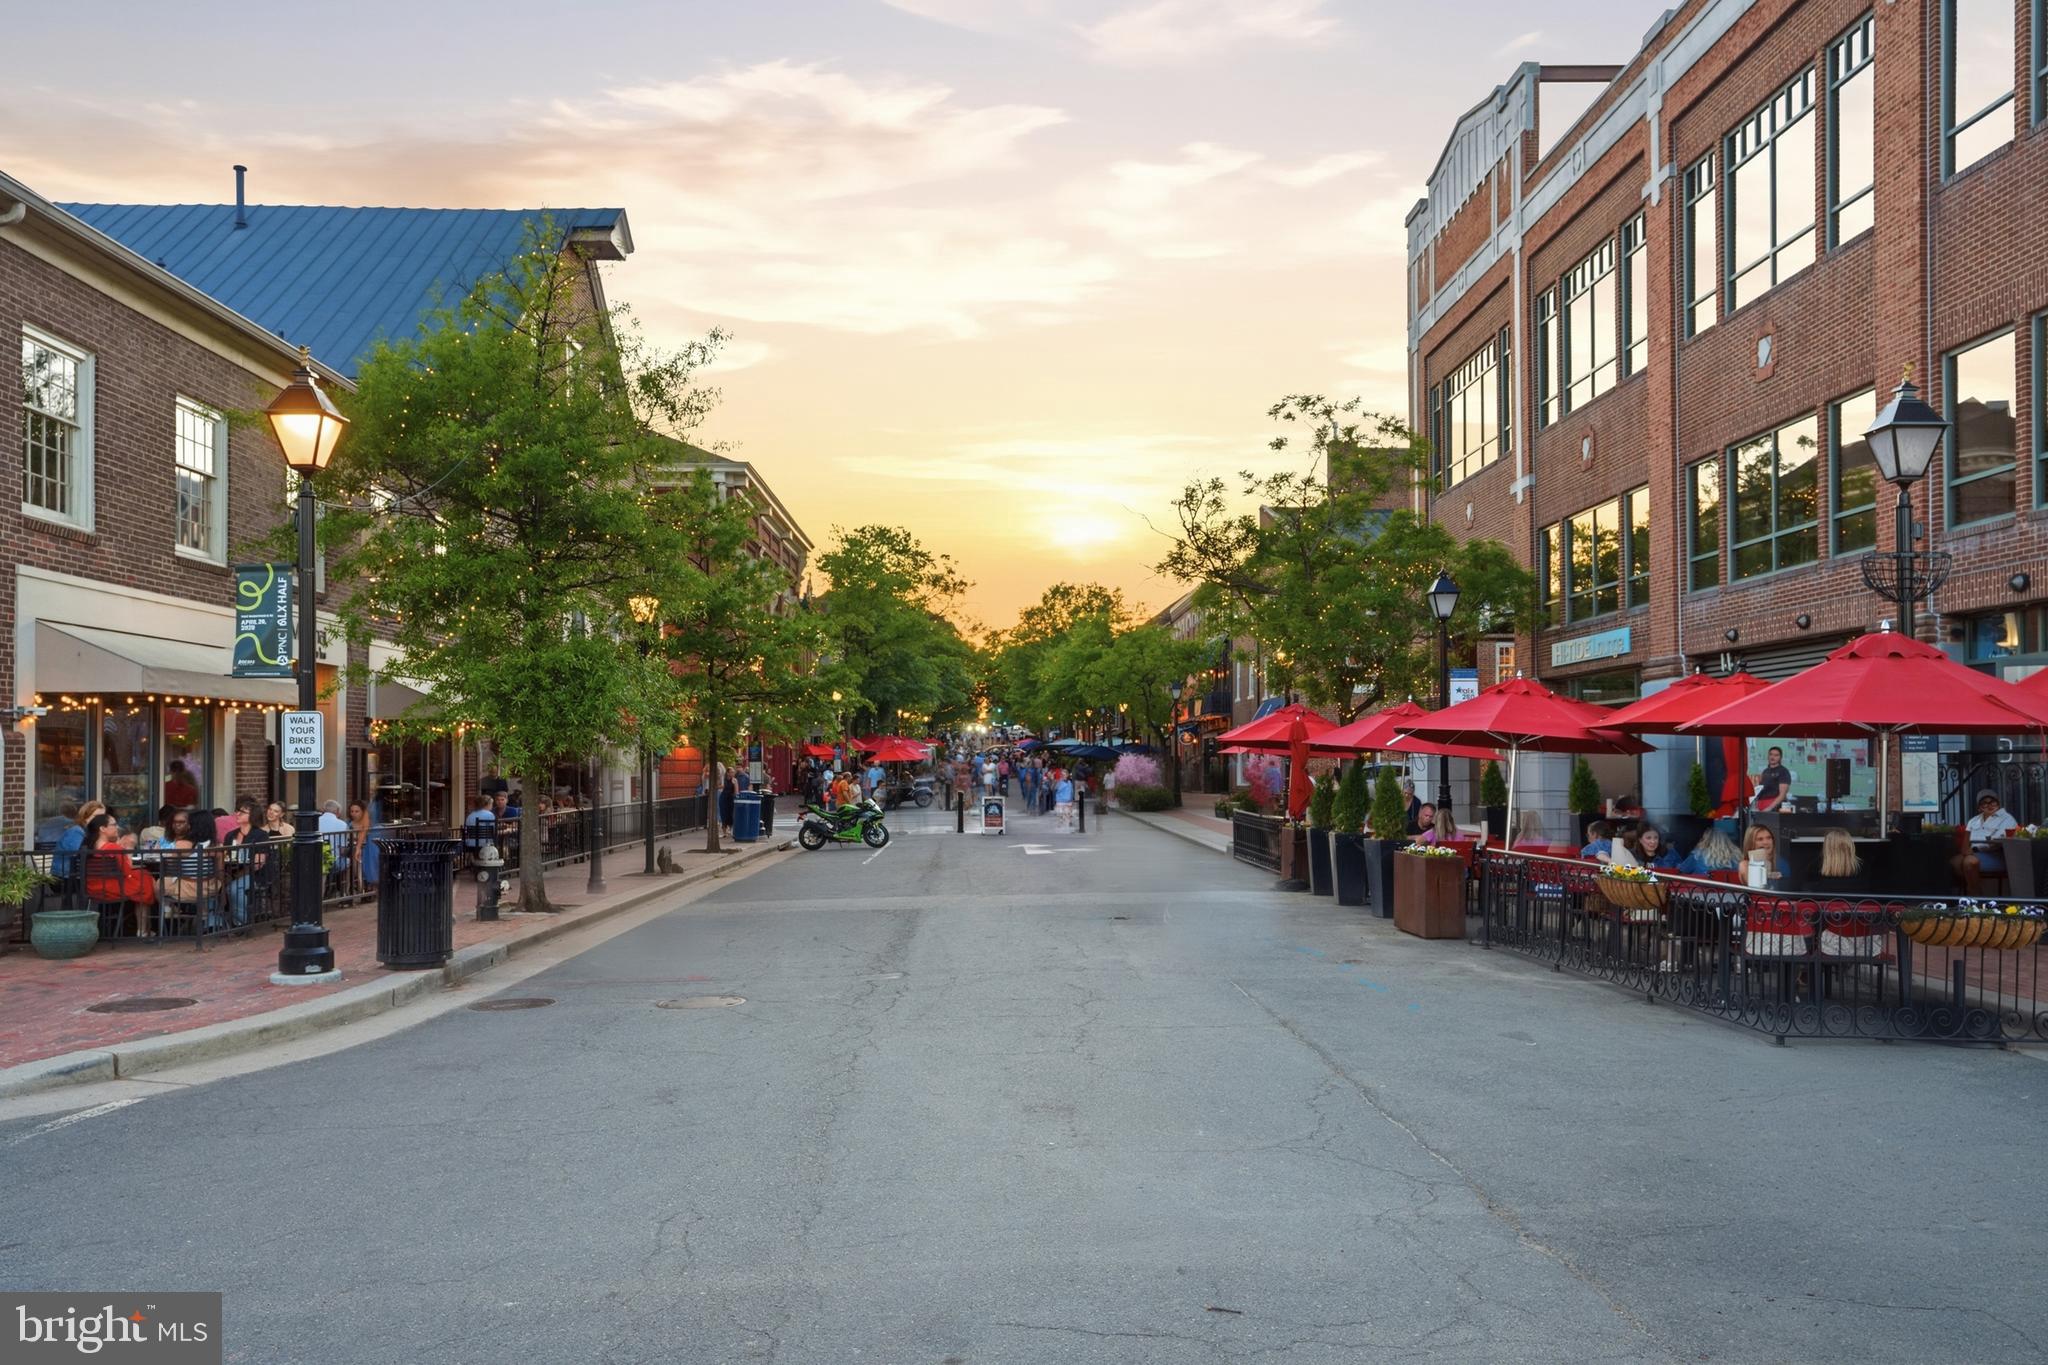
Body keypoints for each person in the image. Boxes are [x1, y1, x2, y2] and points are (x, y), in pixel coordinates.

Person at [81, 812, 156, 936]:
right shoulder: (112, 848)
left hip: (92, 888)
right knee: (145, 881)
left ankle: (144, 929)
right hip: (112, 888)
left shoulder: (88, 846)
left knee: (143, 878)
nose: (117, 827)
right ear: (103, 829)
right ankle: (143, 929)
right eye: (114, 824)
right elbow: (126, 871)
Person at [1956, 790, 2019, 893]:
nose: (1989, 805)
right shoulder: (1973, 821)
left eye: (1992, 802)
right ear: (1979, 807)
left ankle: (1975, 895)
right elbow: (1965, 845)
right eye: (1984, 803)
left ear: (1998, 803)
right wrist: (1966, 852)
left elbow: (1998, 840)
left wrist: (1974, 849)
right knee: (1954, 862)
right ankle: (1970, 890)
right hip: (1973, 853)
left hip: (1996, 855)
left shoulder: (2007, 819)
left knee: (1970, 862)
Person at [53, 799, 105, 879]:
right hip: (65, 879)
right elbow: (80, 855)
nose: (100, 820)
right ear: (85, 816)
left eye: (103, 817)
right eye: (96, 816)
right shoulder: (76, 831)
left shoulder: (91, 832)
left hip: (78, 876)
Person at [1676, 827, 1744, 878]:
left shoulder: (1697, 855)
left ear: (1706, 840)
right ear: (1727, 840)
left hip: (1701, 894)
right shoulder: (1736, 856)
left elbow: (1680, 870)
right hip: (1732, 895)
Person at [1751, 746, 1793, 812]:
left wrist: (1769, 808)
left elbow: (1782, 794)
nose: (1772, 757)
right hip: (1760, 805)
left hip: (1772, 807)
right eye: (1771, 754)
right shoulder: (1765, 771)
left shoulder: (1783, 771)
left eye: (1776, 755)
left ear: (1780, 758)